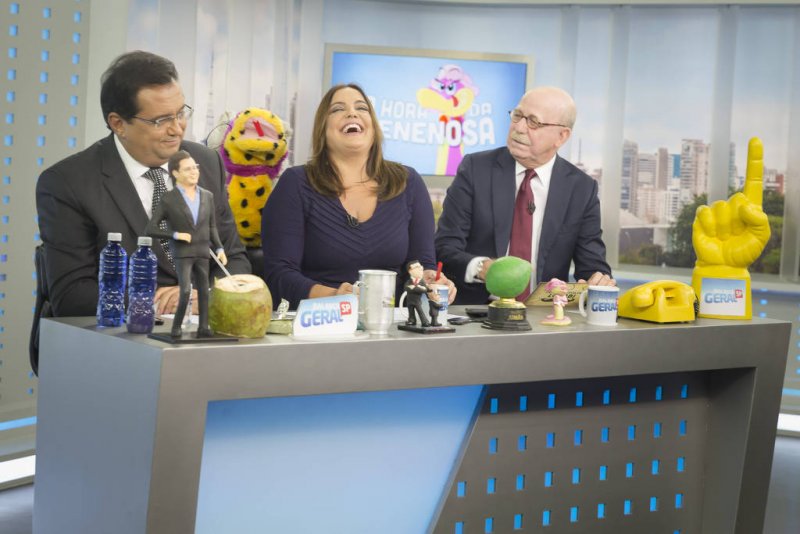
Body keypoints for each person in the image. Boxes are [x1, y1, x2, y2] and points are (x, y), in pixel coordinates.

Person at [36, 51, 249, 317]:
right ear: (118, 124)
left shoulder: (205, 163)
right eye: (161, 120)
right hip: (118, 335)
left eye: (180, 113)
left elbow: (234, 259)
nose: (177, 129)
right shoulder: (69, 182)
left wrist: (205, 295)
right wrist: (157, 302)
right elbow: (72, 295)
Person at [261, 83, 456, 309]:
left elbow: (421, 264)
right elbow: (279, 275)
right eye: (337, 109)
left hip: (390, 322)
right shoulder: (296, 183)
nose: (352, 113)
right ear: (323, 129)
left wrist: (431, 280)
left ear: (373, 127)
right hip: (319, 319)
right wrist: (334, 296)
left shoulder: (407, 182)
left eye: (362, 108)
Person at [435, 86, 614, 305]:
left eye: (533, 122)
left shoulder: (581, 188)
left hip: (544, 314)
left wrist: (599, 280)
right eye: (517, 115)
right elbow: (444, 247)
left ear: (562, 136)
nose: (519, 128)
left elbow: (592, 266)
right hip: (477, 311)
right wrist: (481, 267)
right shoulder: (476, 169)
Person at [145, 151, 227, 337]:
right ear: (176, 173)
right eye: (188, 169)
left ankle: (203, 327)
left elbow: (212, 226)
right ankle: (176, 327)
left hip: (203, 251)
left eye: (195, 167)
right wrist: (175, 235)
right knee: (185, 291)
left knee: (204, 292)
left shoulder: (207, 196)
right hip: (183, 253)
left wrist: (219, 248)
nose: (194, 172)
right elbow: (151, 228)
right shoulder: (169, 198)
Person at [403, 261, 431, 327]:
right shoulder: (409, 281)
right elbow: (406, 288)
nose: (421, 268)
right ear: (410, 271)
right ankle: (411, 320)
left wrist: (415, 288)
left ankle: (425, 321)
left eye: (420, 266)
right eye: (417, 267)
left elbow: (425, 289)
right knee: (411, 312)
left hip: (417, 301)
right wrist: (416, 288)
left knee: (420, 311)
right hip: (409, 300)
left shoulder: (422, 281)